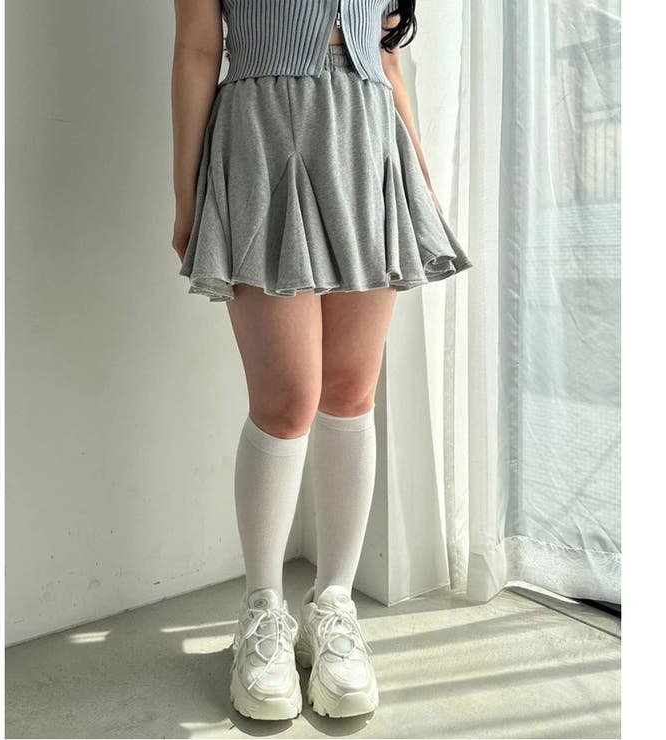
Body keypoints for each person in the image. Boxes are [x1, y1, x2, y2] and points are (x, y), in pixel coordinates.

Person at [170, 0, 472, 722]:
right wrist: (187, 193)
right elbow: (197, 46)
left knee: (350, 392)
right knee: (286, 401)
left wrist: (419, 178)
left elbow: (387, 56)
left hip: (369, 137)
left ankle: (334, 605)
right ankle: (262, 611)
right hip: (262, 132)